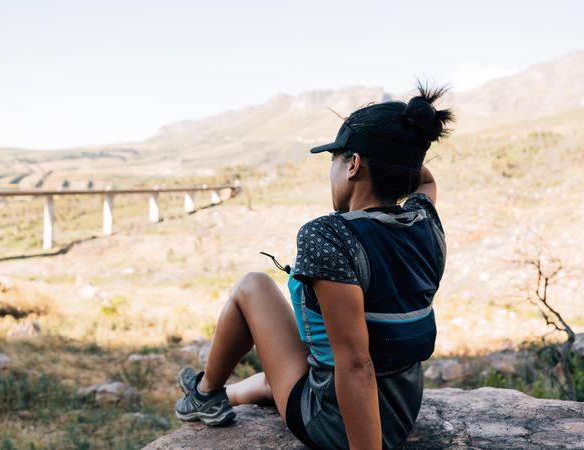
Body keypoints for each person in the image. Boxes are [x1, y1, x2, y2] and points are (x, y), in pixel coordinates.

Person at [174, 83, 452, 450]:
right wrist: (400, 160)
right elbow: (426, 179)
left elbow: (355, 364)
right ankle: (223, 394)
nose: (331, 172)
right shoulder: (424, 220)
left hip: (339, 425)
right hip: (401, 412)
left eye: (335, 160)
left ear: (353, 165)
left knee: (252, 286)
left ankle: (205, 393)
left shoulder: (329, 235)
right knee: (277, 376)